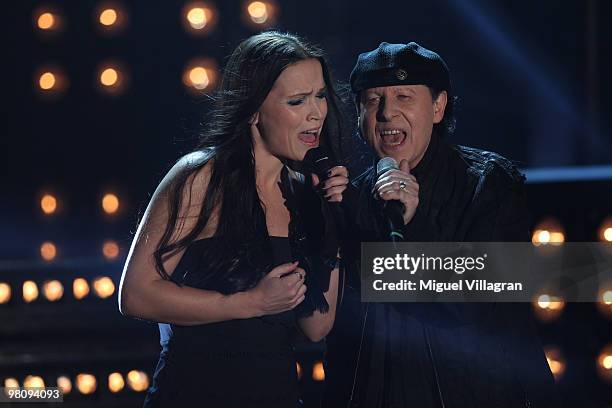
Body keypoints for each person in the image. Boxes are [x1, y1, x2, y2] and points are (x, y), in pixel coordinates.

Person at [118, 31, 348, 408]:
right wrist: (249, 303)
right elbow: (136, 295)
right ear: (254, 108)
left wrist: (334, 222)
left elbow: (316, 326)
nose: (316, 113)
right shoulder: (201, 176)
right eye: (297, 100)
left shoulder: (305, 193)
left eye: (321, 96)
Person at [323, 42, 560, 407]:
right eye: (372, 100)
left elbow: (476, 301)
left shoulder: (487, 182)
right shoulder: (352, 199)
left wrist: (413, 221)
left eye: (404, 97)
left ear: (438, 106)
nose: (386, 113)